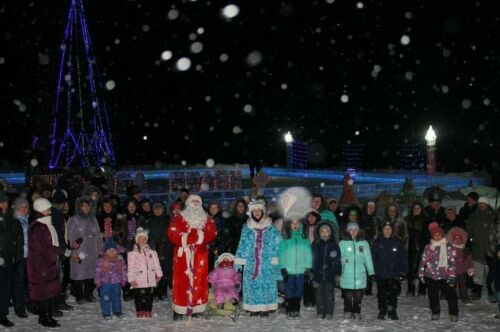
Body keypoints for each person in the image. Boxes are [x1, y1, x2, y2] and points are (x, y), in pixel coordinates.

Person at [168, 194, 217, 320]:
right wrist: (187, 238)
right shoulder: (179, 217)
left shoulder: (206, 218)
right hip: (182, 255)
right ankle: (179, 309)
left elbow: (211, 233)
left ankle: (196, 308)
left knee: (199, 281)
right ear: (188, 203)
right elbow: (172, 233)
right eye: (192, 201)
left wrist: (199, 236)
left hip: (200, 255)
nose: (195, 203)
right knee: (181, 282)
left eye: (197, 201)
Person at [235, 199, 281, 317]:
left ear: (262, 212)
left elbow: (276, 243)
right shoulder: (247, 227)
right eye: (254, 211)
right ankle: (253, 308)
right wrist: (240, 260)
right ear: (251, 213)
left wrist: (274, 257)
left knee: (266, 283)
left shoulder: (270, 228)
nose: (256, 213)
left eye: (258, 210)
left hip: (266, 261)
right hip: (251, 262)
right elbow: (242, 243)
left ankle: (265, 308)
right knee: (251, 284)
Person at [28, 198, 69, 328]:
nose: (50, 211)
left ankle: (44, 316)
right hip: (41, 265)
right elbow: (44, 247)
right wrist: (62, 251)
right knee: (45, 292)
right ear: (41, 210)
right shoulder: (39, 227)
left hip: (48, 263)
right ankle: (46, 318)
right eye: (48, 209)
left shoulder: (45, 223)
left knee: (48, 291)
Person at [418, 222, 458, 322]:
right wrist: (421, 273)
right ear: (432, 236)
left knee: (450, 295)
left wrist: (452, 276)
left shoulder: (448, 247)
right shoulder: (429, 247)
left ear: (442, 235)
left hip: (445, 275)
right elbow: (423, 261)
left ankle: (453, 313)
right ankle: (435, 312)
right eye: (435, 235)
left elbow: (452, 262)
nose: (437, 236)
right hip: (431, 275)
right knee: (433, 295)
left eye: (439, 234)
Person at [67, 196, 103, 304]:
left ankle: (89, 294)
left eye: (88, 205)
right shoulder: (74, 219)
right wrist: (72, 251)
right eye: (83, 206)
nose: (86, 208)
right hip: (79, 251)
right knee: (79, 274)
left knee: (91, 273)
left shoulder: (93, 218)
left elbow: (98, 235)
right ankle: (79, 295)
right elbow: (70, 236)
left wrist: (100, 247)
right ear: (79, 207)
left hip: (92, 250)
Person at [372, 221, 408, 320]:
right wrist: (373, 271)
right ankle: (382, 310)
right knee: (381, 294)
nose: (387, 231)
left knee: (393, 294)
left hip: (394, 273)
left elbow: (403, 258)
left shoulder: (397, 242)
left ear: (392, 230)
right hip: (381, 273)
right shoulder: (378, 242)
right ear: (382, 230)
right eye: (385, 228)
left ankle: (392, 311)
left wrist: (403, 270)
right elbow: (373, 258)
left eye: (389, 229)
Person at [339, 222, 375, 319]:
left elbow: (368, 258)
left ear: (358, 231)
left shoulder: (364, 243)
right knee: (347, 295)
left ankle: (356, 310)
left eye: (355, 230)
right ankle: (348, 310)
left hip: (360, 274)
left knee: (358, 295)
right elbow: (339, 257)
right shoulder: (342, 243)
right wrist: (342, 263)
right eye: (351, 230)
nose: (353, 232)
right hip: (347, 274)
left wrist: (371, 271)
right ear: (347, 231)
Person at [279, 217, 312, 319]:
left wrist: (308, 268)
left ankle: (296, 309)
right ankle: (289, 310)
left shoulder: (305, 240)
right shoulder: (285, 241)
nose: (295, 225)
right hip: (289, 271)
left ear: (301, 225)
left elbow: (308, 255)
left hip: (301, 271)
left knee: (299, 290)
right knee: (289, 290)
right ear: (289, 225)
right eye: (293, 223)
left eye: (297, 223)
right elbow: (281, 255)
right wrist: (283, 268)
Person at [0, 192, 23, 328]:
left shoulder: (11, 218)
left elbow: (19, 238)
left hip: (7, 261)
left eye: (5, 202)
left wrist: (17, 256)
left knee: (4, 289)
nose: (4, 205)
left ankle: (2, 314)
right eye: (2, 202)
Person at [127, 228, 162, 318]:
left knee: (149, 296)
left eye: (144, 238)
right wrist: (131, 279)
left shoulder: (152, 252)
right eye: (140, 238)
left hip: (150, 279)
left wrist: (159, 274)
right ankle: (140, 310)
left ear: (146, 240)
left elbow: (156, 264)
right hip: (138, 279)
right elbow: (130, 267)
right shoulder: (132, 253)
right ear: (137, 240)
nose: (142, 240)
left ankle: (148, 310)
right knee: (139, 296)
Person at [467, 197, 497, 300]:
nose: (481, 205)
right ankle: (477, 291)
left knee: (491, 271)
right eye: (480, 204)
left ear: (487, 205)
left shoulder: (494, 216)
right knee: (477, 272)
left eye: (483, 204)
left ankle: (491, 291)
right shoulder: (473, 216)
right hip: (477, 248)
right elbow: (469, 229)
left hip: (491, 249)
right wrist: (472, 239)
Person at [311, 221, 341, 320]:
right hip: (318, 274)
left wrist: (337, 272)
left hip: (330, 274)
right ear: (319, 233)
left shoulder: (334, 245)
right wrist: (312, 271)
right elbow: (313, 259)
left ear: (330, 233)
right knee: (318, 294)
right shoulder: (315, 244)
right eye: (322, 231)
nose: (324, 233)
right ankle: (320, 311)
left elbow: (337, 260)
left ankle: (329, 312)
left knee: (329, 295)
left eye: (326, 231)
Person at [143, 201, 170, 301]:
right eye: (155, 208)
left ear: (163, 210)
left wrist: (164, 242)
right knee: (153, 272)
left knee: (164, 272)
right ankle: (154, 292)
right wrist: (150, 243)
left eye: (160, 208)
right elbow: (144, 235)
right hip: (152, 250)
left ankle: (163, 292)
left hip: (165, 250)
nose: (158, 210)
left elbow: (170, 235)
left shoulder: (167, 220)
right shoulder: (149, 221)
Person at [94, 238, 127, 319]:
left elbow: (124, 271)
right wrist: (97, 282)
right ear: (106, 252)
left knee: (117, 298)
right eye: (110, 251)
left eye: (114, 251)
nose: (112, 252)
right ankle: (106, 313)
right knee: (105, 299)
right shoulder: (101, 261)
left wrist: (124, 280)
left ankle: (117, 311)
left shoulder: (120, 260)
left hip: (116, 283)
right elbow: (97, 272)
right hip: (105, 283)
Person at [405, 202, 427, 296]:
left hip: (423, 246)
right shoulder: (407, 220)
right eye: (415, 208)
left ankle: (422, 289)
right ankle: (411, 289)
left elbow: (428, 234)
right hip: (410, 247)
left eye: (419, 208)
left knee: (423, 268)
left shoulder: (426, 220)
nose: (417, 210)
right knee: (411, 269)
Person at [447, 227, 474, 303]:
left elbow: (469, 259)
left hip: (462, 271)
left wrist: (470, 267)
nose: (458, 240)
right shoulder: (450, 249)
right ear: (453, 239)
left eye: (459, 238)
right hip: (453, 271)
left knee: (463, 284)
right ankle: (453, 297)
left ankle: (464, 297)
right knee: (452, 285)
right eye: (456, 238)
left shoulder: (465, 249)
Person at [493, 244, 500, 318]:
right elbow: (493, 272)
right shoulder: (496, 262)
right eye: (498, 252)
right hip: (498, 284)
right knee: (499, 299)